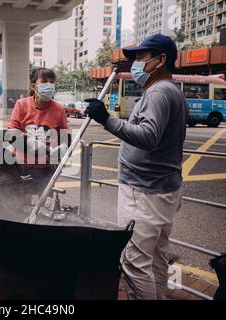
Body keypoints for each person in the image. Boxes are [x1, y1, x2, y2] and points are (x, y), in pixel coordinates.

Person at [84, 34, 188, 300]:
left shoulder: (158, 92)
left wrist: (105, 119)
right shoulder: (171, 91)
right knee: (155, 257)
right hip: (162, 191)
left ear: (161, 60)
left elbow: (148, 137)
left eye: (141, 58)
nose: (136, 65)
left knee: (134, 262)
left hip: (144, 194)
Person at [8, 68, 70, 193]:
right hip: (22, 165)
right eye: (44, 81)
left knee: (43, 203)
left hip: (46, 168)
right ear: (33, 85)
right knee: (20, 201)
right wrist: (33, 145)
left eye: (52, 82)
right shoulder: (21, 104)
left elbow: (65, 136)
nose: (49, 85)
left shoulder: (59, 109)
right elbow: (12, 135)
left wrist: (61, 149)